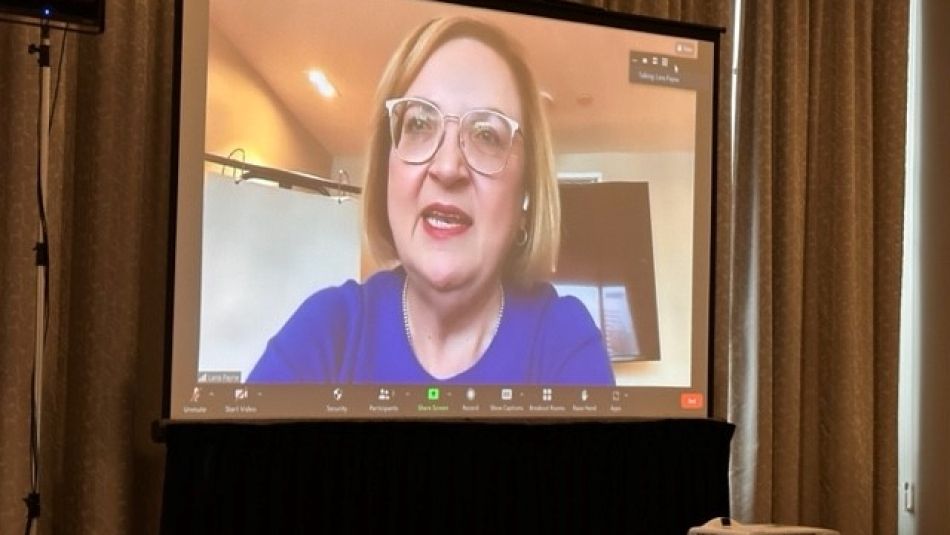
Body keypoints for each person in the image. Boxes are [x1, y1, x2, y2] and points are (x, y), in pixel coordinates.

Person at [248, 16, 614, 385]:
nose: (447, 167)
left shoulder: (564, 339)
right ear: (385, 170)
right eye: (419, 124)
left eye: (487, 134)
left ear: (525, 195)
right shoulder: (328, 329)